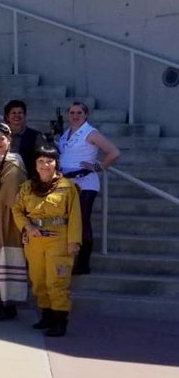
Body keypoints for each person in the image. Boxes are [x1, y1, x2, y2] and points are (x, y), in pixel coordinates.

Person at [12, 145, 83, 337]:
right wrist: (28, 226)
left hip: (58, 238)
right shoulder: (27, 187)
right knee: (38, 279)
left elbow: (75, 215)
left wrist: (74, 241)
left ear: (56, 163)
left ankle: (60, 319)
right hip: (34, 239)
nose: (45, 165)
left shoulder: (67, 187)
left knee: (56, 280)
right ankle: (47, 315)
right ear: (35, 165)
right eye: (41, 161)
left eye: (49, 161)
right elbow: (16, 209)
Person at [56, 101, 119, 275]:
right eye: (72, 113)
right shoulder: (66, 133)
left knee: (82, 221)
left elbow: (114, 152)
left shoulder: (90, 132)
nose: (75, 116)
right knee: (68, 221)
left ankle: (83, 263)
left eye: (79, 113)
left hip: (84, 181)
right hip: (67, 182)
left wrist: (99, 167)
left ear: (86, 115)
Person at [0, 122, 30, 321]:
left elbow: (10, 196)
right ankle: (3, 301)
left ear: (9, 140)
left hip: (8, 218)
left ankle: (2, 302)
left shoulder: (14, 161)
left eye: (2, 138)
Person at [4, 99, 47, 167]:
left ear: (25, 115)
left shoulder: (36, 136)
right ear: (7, 117)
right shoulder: (1, 136)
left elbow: (44, 158)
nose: (17, 115)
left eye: (20, 113)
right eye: (13, 113)